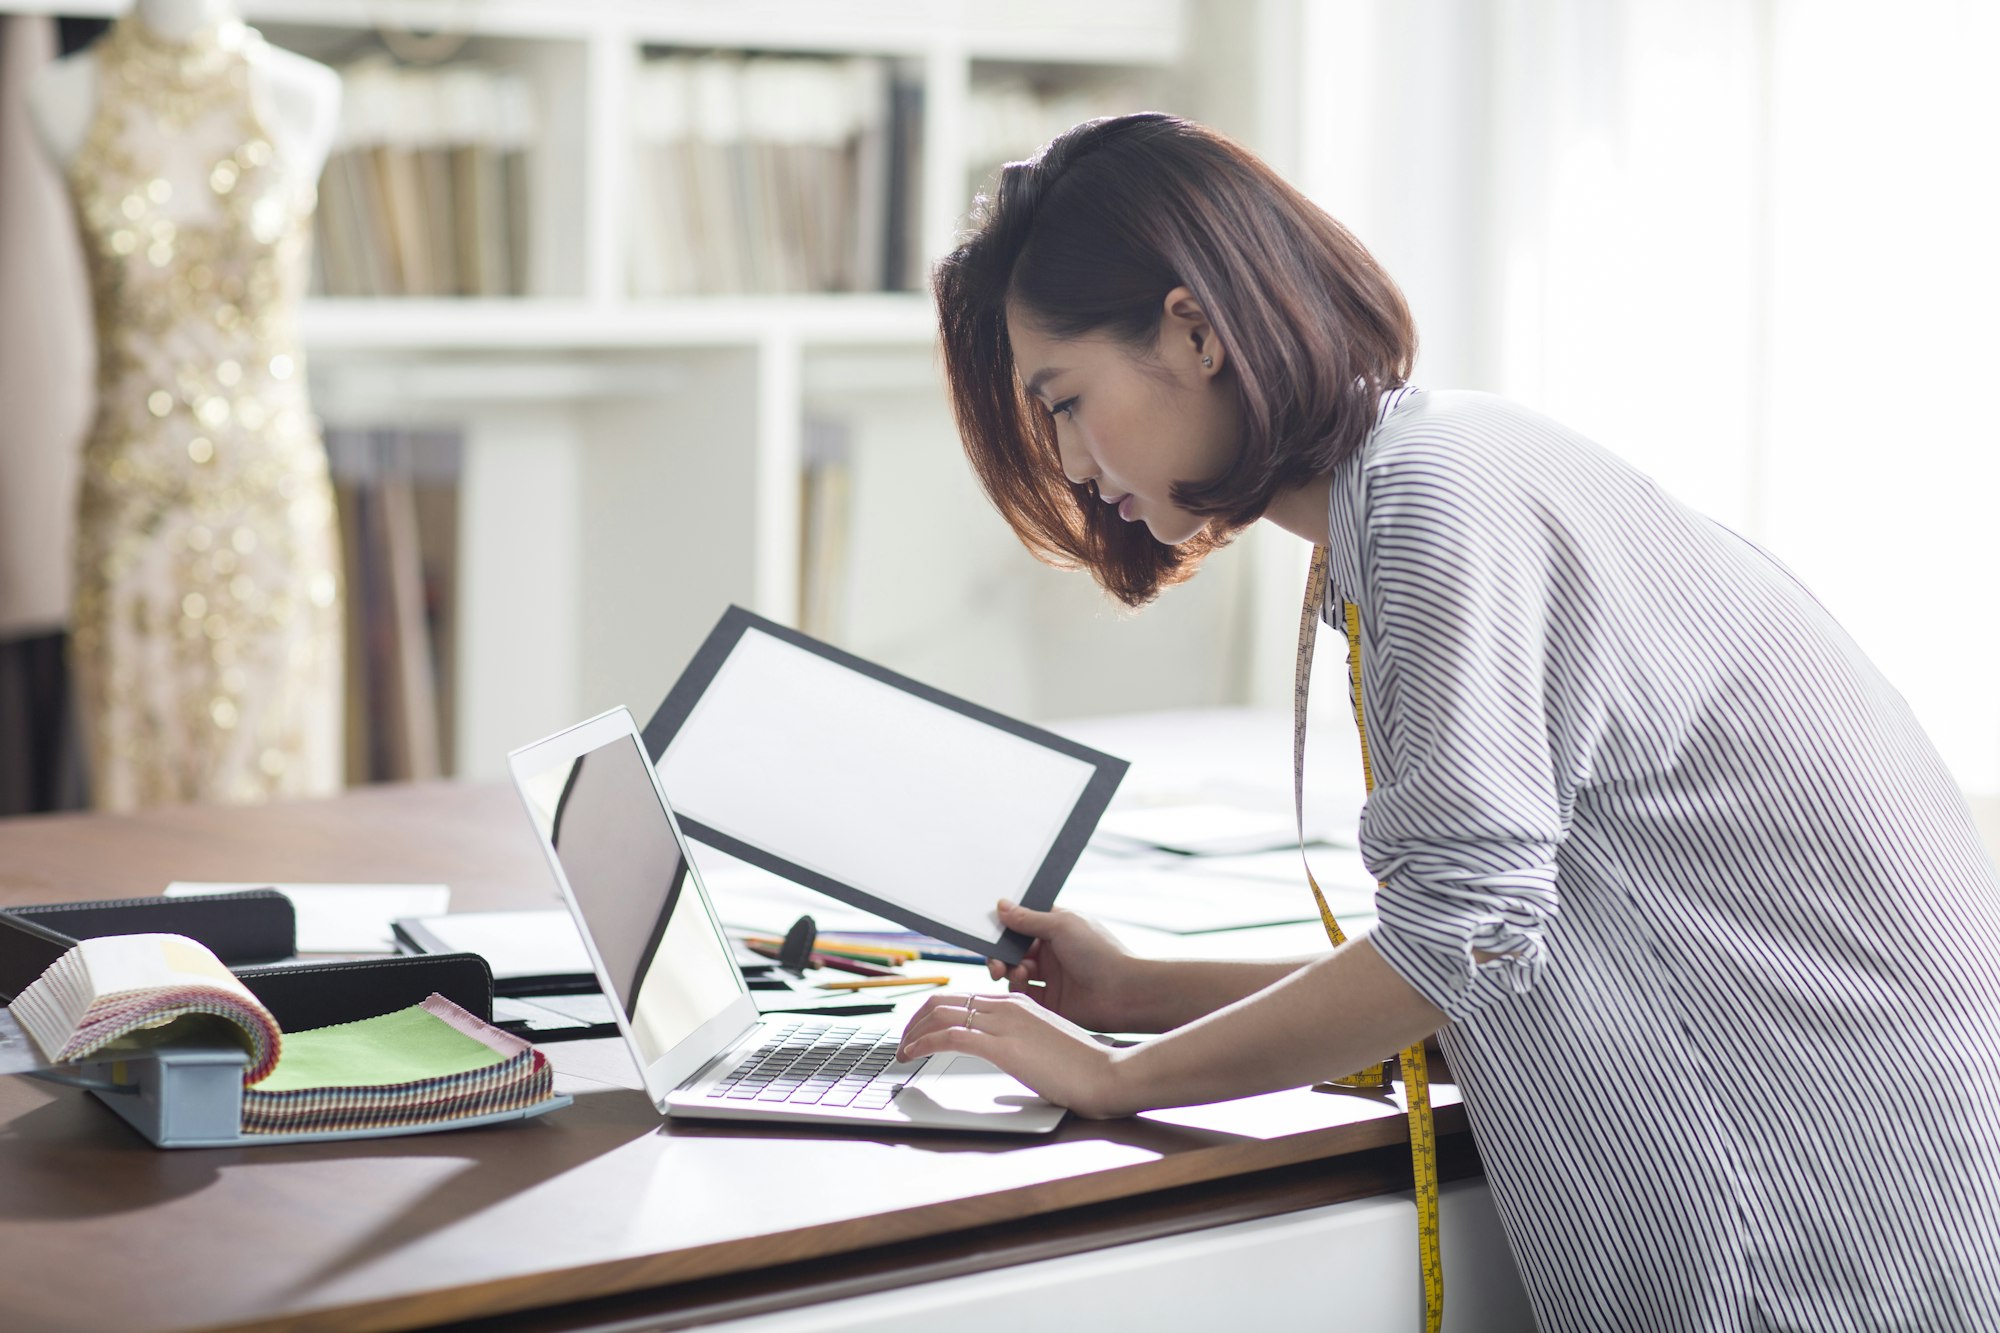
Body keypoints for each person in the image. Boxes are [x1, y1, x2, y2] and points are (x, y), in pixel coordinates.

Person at [897, 112, 2000, 1330]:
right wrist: (1140, 989)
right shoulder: (1435, 469)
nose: (1066, 461)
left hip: (1813, 1210)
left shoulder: (1433, 503)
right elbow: (1491, 950)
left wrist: (1120, 1081)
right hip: (1830, 1151)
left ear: (1194, 330)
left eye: (1061, 400)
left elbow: (1457, 945)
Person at [27, 0, 344, 809]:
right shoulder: (63, 94)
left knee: (283, 816)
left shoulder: (301, 94)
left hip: (272, 512)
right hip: (133, 515)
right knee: (137, 812)